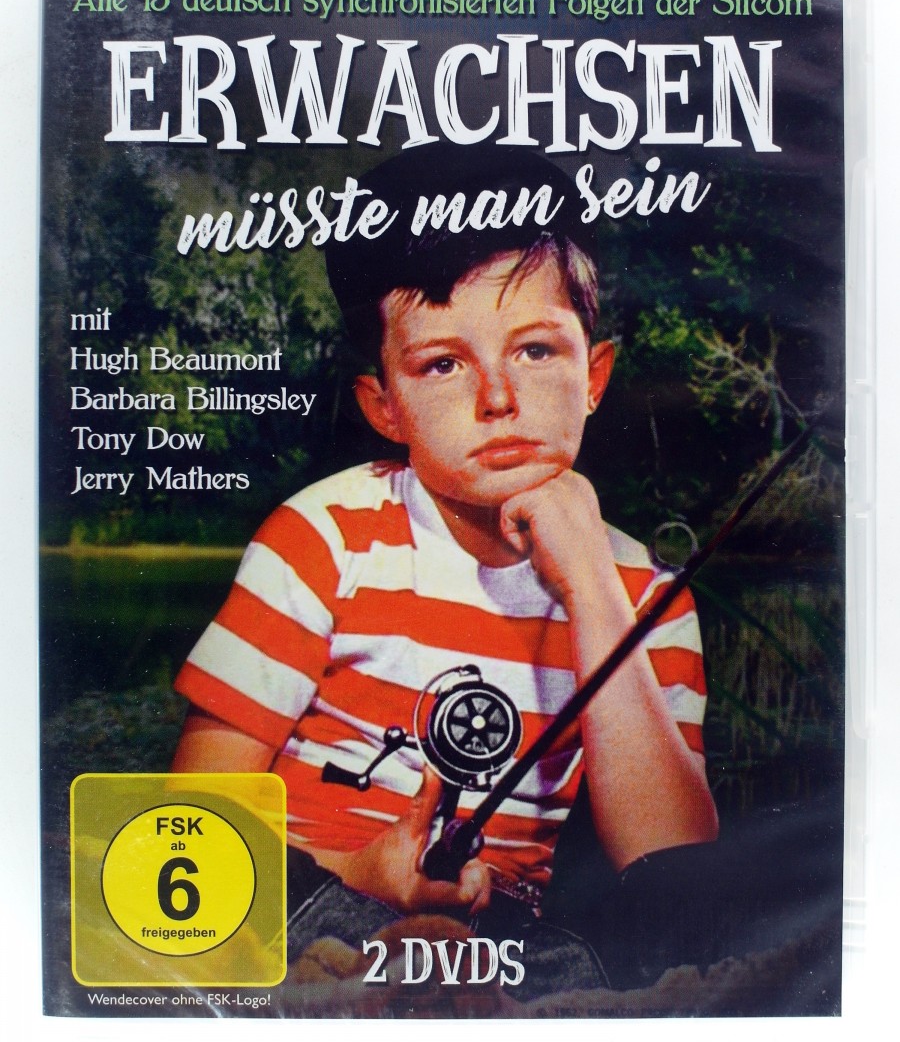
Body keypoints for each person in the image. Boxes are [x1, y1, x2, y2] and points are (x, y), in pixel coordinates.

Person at [171, 144, 718, 998]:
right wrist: (355, 872)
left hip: (499, 936)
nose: (498, 397)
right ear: (385, 405)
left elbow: (670, 865)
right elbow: (189, 822)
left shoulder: (647, 596)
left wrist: (591, 586)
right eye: (443, 364)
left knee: (642, 956)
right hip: (306, 892)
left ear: (594, 376)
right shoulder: (325, 537)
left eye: (535, 351)